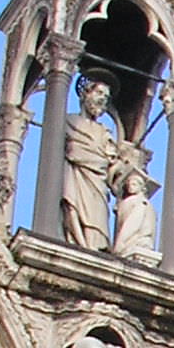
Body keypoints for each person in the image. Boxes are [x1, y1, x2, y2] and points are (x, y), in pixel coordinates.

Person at [61, 77, 124, 252]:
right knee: (72, 205)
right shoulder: (67, 121)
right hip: (75, 177)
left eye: (106, 96)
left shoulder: (104, 132)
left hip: (97, 184)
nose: (103, 98)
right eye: (99, 93)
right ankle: (78, 242)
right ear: (85, 94)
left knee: (97, 218)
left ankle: (94, 247)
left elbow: (110, 163)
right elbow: (68, 151)